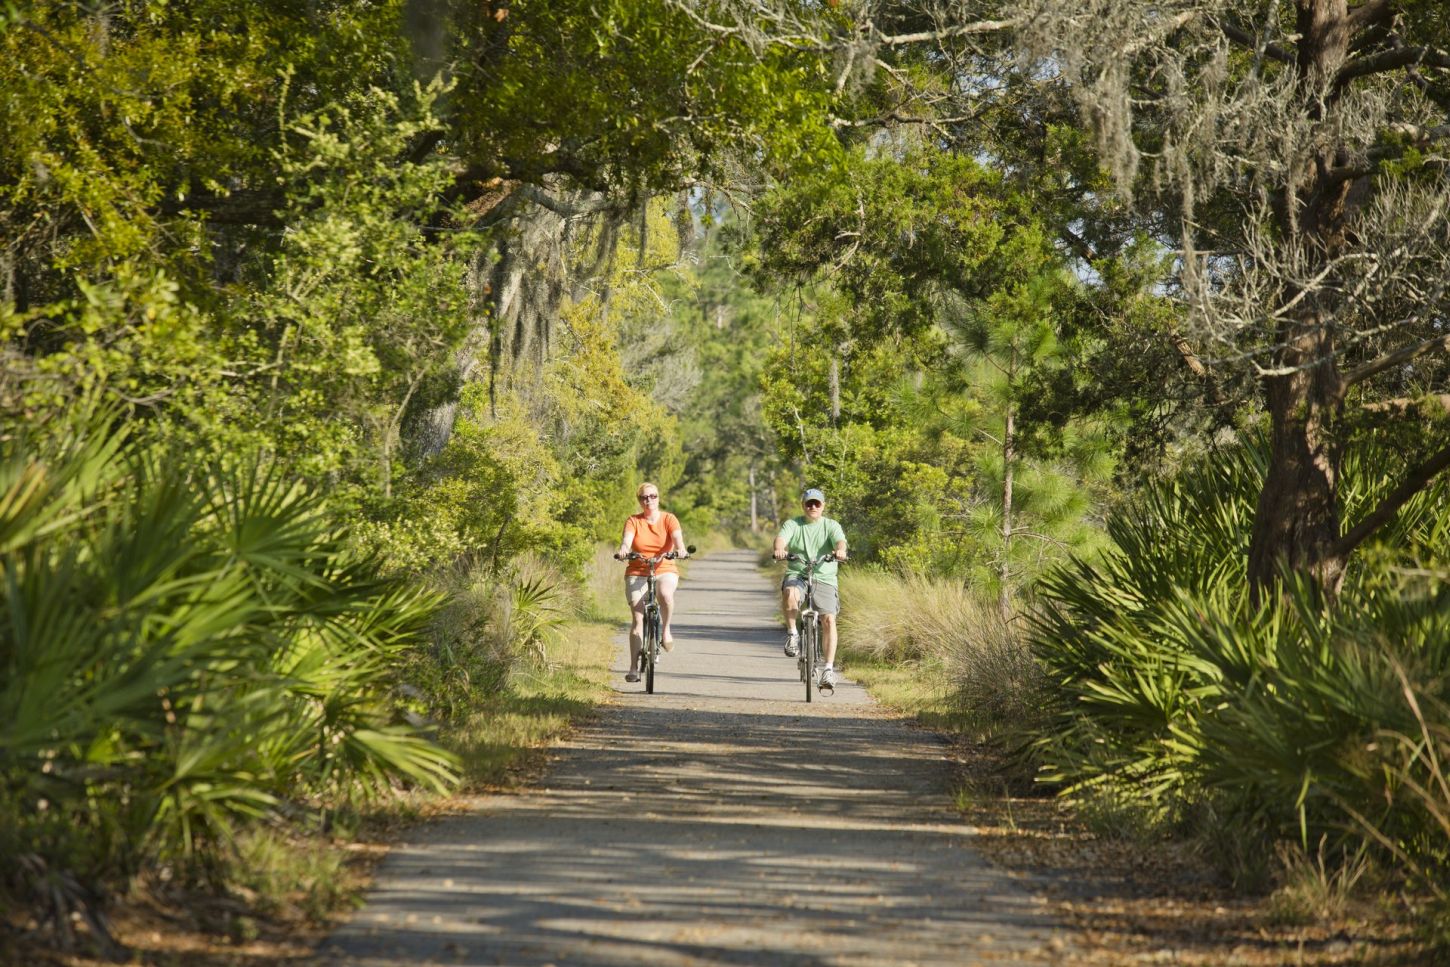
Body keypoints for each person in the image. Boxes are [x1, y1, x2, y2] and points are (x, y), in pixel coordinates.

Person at [614, 481, 689, 683]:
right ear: (639, 500)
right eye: (644, 497)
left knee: (665, 594)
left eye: (653, 496)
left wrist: (680, 549)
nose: (649, 500)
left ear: (658, 497)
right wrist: (623, 550)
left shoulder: (669, 519)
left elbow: (678, 539)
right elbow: (627, 541)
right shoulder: (633, 521)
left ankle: (666, 631)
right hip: (637, 570)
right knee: (638, 619)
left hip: (664, 568)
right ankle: (632, 668)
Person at [772, 487, 848, 688]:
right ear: (803, 505)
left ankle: (829, 670)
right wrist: (779, 549)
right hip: (798, 573)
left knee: (828, 620)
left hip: (824, 576)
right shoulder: (793, 524)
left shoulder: (831, 525)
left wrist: (840, 551)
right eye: (809, 503)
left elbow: (840, 542)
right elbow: (781, 538)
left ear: (823, 506)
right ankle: (793, 635)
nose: (813, 506)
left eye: (817, 503)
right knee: (790, 593)